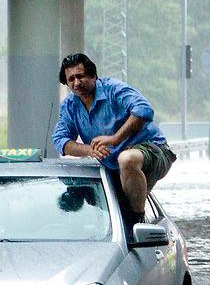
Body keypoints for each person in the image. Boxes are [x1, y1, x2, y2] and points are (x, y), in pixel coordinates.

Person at [51, 53, 176, 222]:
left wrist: (115, 138)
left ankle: (137, 221)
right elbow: (60, 140)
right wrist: (90, 149)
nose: (76, 83)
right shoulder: (69, 106)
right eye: (71, 79)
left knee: (127, 159)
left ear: (93, 76)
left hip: (153, 150)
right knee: (80, 191)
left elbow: (144, 110)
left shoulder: (114, 90)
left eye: (80, 76)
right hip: (113, 167)